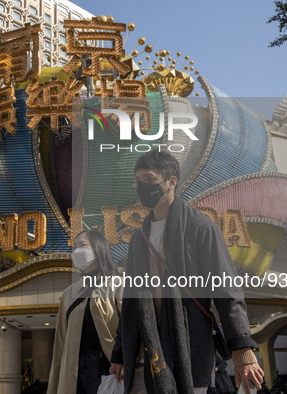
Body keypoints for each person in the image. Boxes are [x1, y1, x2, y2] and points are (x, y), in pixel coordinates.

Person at [109, 150, 264, 394]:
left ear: (172, 181)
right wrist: (119, 352)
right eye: (138, 181)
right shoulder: (139, 237)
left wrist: (242, 348)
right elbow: (131, 300)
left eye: (149, 179)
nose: (142, 187)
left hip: (188, 348)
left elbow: (226, 289)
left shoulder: (200, 227)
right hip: (143, 352)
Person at [47, 230, 123, 394]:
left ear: (99, 248)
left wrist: (124, 359)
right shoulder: (70, 292)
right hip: (73, 368)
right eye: (74, 247)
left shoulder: (119, 284)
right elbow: (60, 340)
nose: (77, 251)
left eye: (83, 245)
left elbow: (129, 329)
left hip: (109, 367)